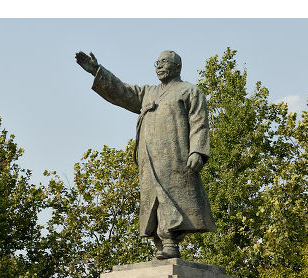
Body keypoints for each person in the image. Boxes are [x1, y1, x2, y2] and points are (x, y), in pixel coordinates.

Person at [75, 50, 216, 259]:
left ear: (177, 67)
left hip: (175, 157)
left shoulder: (189, 91)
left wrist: (198, 150)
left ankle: (170, 243)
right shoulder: (148, 93)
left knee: (172, 199)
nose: (159, 66)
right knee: (153, 200)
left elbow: (199, 122)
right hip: (149, 159)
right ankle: (161, 244)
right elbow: (123, 92)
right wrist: (97, 71)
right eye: (157, 62)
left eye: (165, 62)